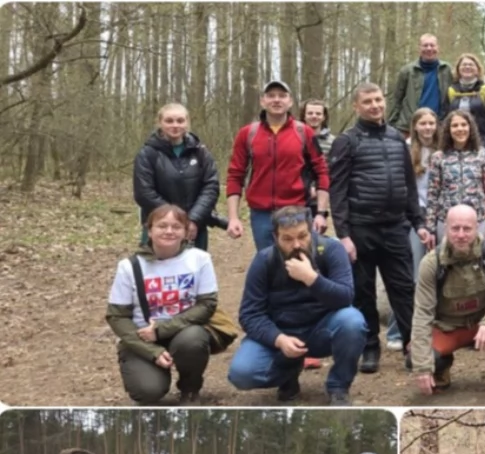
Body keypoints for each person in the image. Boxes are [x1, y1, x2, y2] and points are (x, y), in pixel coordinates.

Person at [328, 82, 433, 375]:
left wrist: (418, 223)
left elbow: (409, 185)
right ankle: (370, 347)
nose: (374, 106)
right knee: (363, 291)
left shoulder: (397, 138)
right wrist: (344, 235)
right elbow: (337, 191)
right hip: (361, 229)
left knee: (404, 289)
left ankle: (413, 346)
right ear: (356, 107)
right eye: (367, 102)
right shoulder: (347, 141)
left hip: (396, 227)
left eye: (377, 100)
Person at [227, 206, 368, 406]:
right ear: (275, 237)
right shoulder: (264, 261)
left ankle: (339, 386)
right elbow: (249, 314)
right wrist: (278, 339)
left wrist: (312, 279)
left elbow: (346, 297)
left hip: (322, 329)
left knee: (353, 322)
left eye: (302, 236)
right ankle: (288, 373)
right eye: (287, 239)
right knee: (241, 374)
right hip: (281, 332)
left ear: (312, 231)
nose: (296, 245)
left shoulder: (331, 250)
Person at [107, 204, 219, 405]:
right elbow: (117, 316)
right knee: (148, 391)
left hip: (184, 331)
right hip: (142, 337)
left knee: (193, 340)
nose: (169, 231)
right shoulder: (129, 266)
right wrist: (152, 351)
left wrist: (161, 330)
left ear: (186, 232)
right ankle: (151, 375)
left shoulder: (200, 259)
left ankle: (190, 388)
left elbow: (207, 305)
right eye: (162, 226)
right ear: (149, 231)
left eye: (176, 227)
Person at [410, 204, 485, 400]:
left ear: (477, 228)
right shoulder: (431, 263)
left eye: (467, 229)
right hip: (447, 328)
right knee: (414, 359)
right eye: (455, 228)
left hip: (482, 325)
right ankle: (441, 368)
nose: (461, 235)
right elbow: (422, 314)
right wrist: (422, 368)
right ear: (446, 228)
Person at [225, 80, 331, 252]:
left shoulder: (304, 132)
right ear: (262, 101)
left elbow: (322, 172)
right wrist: (233, 217)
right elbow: (235, 175)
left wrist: (321, 213)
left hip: (296, 210)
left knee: (300, 260)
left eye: (282, 96)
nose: (276, 100)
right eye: (271, 96)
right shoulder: (247, 134)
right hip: (261, 214)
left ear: (290, 102)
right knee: (267, 260)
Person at [386, 108, 442, 353]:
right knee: (412, 276)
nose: (427, 127)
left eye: (431, 123)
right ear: (415, 126)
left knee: (438, 275)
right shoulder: (405, 147)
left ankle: (434, 329)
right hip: (413, 216)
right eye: (423, 123)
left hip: (439, 214)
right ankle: (397, 330)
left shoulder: (443, 148)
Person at [133, 103, 221, 252]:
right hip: (159, 226)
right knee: (156, 266)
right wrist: (174, 221)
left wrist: (193, 219)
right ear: (160, 123)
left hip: (195, 226)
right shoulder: (147, 154)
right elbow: (144, 192)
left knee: (194, 266)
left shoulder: (200, 152)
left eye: (180, 121)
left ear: (187, 123)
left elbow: (211, 186)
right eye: (169, 121)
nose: (175, 125)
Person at [427, 110, 485, 240]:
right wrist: (430, 227)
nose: (460, 129)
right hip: (446, 220)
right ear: (448, 130)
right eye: (455, 125)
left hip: (477, 219)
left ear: (470, 128)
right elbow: (432, 194)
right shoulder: (438, 157)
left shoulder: (483, 155)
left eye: (464, 125)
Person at [387, 34, 451, 134]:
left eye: (432, 45)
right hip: (410, 127)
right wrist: (391, 124)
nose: (429, 48)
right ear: (419, 48)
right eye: (425, 45)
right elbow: (396, 99)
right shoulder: (407, 71)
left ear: (438, 48)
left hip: (438, 127)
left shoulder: (447, 70)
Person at [443, 53, 485, 152]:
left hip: (480, 142)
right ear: (458, 69)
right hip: (455, 144)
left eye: (471, 65)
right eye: (464, 65)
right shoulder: (451, 91)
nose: (467, 67)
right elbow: (445, 118)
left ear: (477, 69)